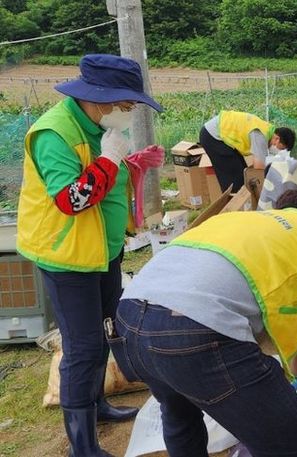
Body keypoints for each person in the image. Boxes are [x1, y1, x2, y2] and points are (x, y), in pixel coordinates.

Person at [111, 188, 297, 457]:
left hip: (129, 316)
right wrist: (289, 372)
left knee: (180, 414)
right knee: (296, 444)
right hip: (193, 329)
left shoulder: (237, 222)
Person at [16, 54, 163, 456]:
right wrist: (109, 159)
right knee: (82, 347)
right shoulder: (53, 133)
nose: (129, 113)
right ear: (101, 99)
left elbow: (105, 181)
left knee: (103, 333)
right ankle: (82, 445)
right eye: (127, 105)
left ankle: (97, 405)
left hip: (103, 252)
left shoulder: (98, 126)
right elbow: (71, 199)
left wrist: (127, 164)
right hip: (69, 257)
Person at [199, 110, 296, 192]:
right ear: (277, 139)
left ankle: (241, 200)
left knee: (243, 171)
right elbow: (259, 167)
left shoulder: (267, 130)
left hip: (220, 134)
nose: (278, 151)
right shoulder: (260, 135)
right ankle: (234, 203)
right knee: (235, 178)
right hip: (213, 135)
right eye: (281, 148)